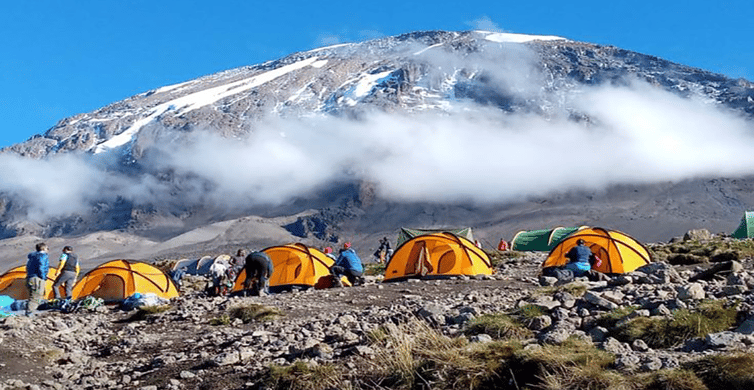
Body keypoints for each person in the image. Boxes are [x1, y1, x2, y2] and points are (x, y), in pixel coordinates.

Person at [25, 242, 49, 316]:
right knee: (36, 296)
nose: (48, 250)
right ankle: (29, 313)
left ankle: (29, 311)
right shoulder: (42, 256)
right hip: (37, 278)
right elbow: (41, 267)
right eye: (47, 248)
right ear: (43, 248)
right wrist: (43, 277)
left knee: (33, 296)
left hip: (30, 277)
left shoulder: (32, 257)